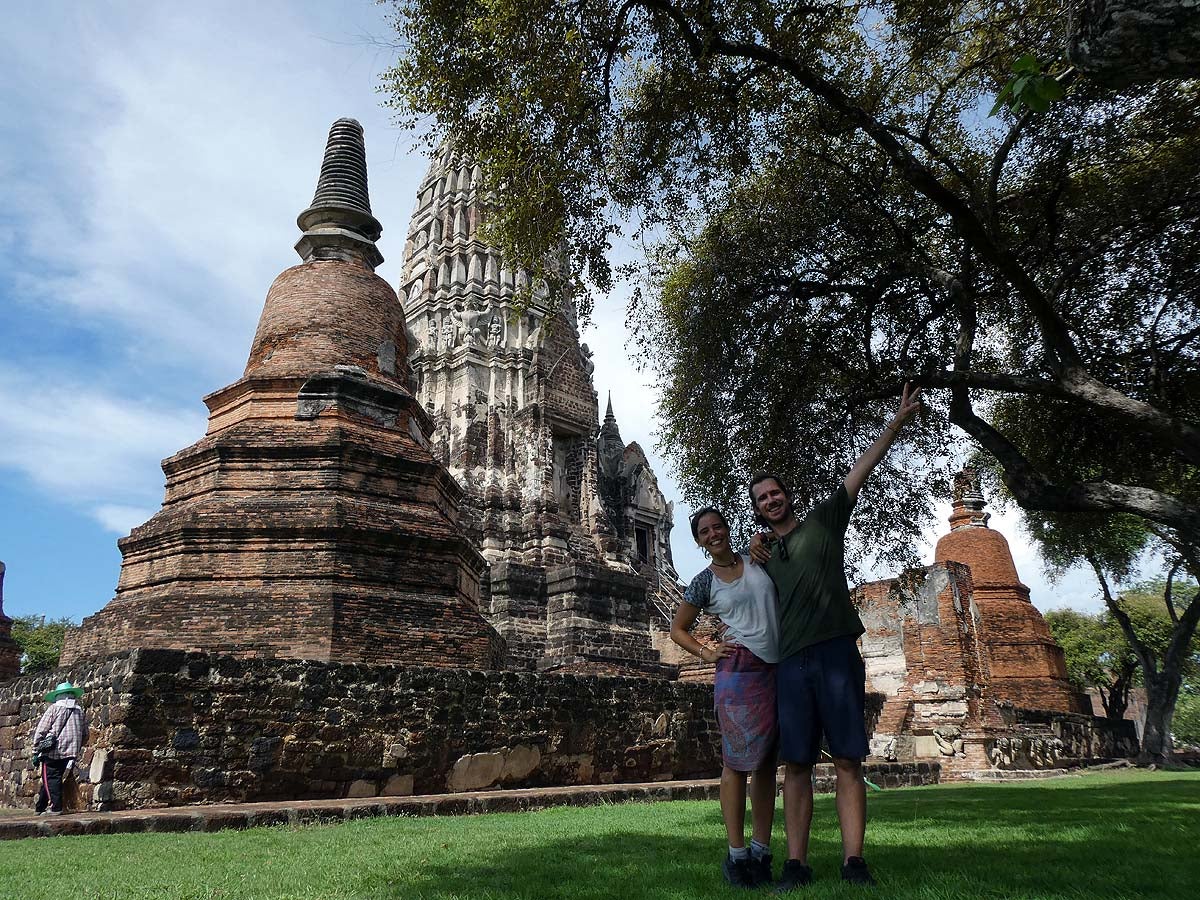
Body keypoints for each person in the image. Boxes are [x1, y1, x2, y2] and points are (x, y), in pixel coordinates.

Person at [749, 383, 922, 890]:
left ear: (788, 496)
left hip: (836, 652)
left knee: (847, 757)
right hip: (790, 661)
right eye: (762, 499)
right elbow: (730, 589)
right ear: (757, 510)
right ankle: (796, 863)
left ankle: (854, 861)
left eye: (776, 492)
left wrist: (895, 423)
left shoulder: (824, 523)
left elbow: (859, 471)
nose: (771, 500)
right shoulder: (760, 558)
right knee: (796, 762)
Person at [671, 506, 781, 888]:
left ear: (727, 528)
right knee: (736, 763)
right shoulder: (703, 582)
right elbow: (678, 629)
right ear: (700, 542)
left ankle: (761, 851)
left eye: (718, 526)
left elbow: (779, 535)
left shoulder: (758, 561)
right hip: (735, 673)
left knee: (767, 763)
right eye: (705, 532)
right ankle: (736, 856)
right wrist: (705, 652)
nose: (714, 534)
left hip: (774, 669)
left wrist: (759, 539)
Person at [32, 680, 89, 815]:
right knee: (51, 779)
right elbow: (85, 734)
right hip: (71, 752)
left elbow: (41, 730)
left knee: (52, 778)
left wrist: (35, 751)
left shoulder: (54, 709)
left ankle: (56, 808)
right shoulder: (79, 711)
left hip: (53, 750)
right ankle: (40, 807)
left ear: (58, 695)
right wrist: (76, 747)